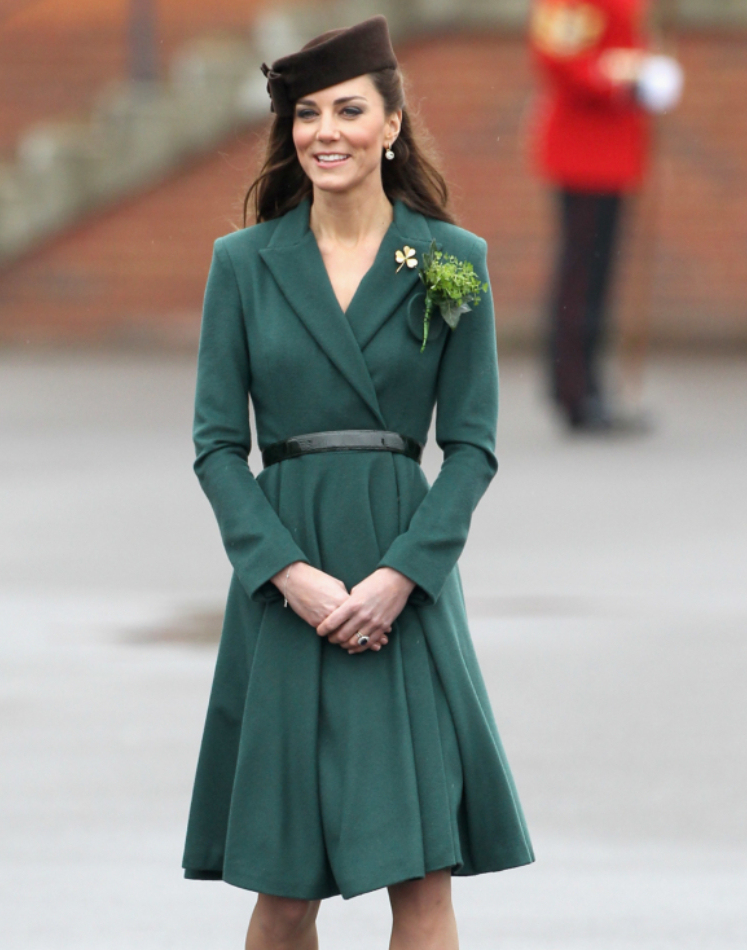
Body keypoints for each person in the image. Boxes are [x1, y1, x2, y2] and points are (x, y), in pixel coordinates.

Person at [182, 16, 534, 949]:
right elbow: (218, 445)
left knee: (418, 872)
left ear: (391, 123)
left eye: (347, 110)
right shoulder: (244, 264)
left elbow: (471, 446)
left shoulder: (450, 260)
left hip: (402, 578)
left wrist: (401, 576)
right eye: (306, 114)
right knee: (285, 884)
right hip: (283, 582)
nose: (324, 131)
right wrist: (285, 574)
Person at [529, 0, 682, 431]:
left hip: (615, 151)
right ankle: (574, 390)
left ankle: (589, 385)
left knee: (598, 276)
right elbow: (560, 59)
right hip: (584, 152)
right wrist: (629, 83)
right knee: (581, 275)